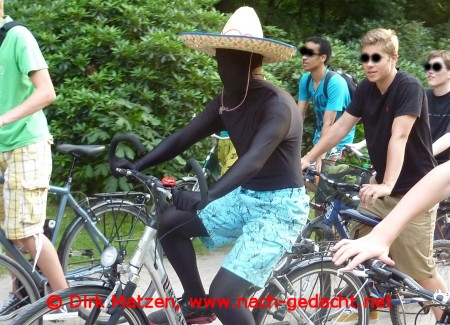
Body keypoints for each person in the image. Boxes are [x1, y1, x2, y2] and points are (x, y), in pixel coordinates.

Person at [110, 6, 309, 325]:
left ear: (251, 61)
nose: (222, 65)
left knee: (225, 296)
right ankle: (197, 305)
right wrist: (137, 164)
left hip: (280, 208)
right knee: (170, 224)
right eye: (220, 56)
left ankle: (212, 303)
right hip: (245, 197)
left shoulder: (278, 106)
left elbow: (253, 160)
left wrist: (208, 196)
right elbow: (182, 138)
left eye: (229, 58)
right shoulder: (227, 100)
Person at [301, 28, 448, 322]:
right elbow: (341, 128)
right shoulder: (367, 88)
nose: (369, 64)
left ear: (393, 58)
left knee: (419, 271)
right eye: (365, 58)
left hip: (414, 191)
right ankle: (373, 305)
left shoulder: (409, 87)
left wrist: (387, 183)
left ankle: (444, 314)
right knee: (360, 246)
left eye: (376, 58)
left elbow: (400, 136)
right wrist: (306, 159)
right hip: (381, 188)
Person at [0, 2, 71, 316]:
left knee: (26, 232)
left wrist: (3, 119)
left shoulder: (17, 36)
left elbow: (46, 92)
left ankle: (66, 302)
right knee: (7, 229)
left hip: (27, 143)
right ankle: (25, 293)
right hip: (2, 146)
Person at [332, 160, 450, 269]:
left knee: (420, 272)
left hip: (415, 185)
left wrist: (381, 236)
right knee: (364, 264)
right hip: (395, 187)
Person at [297, 36, 355, 173]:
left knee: (323, 178)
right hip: (320, 135)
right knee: (305, 175)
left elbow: (329, 122)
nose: (304, 57)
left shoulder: (336, 83)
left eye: (310, 53)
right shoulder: (306, 80)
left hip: (339, 139)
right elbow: (299, 116)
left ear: (323, 58)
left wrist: (320, 157)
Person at [425, 50, 450, 164]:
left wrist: (422, 155)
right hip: (419, 162)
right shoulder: (421, 96)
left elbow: (448, 138)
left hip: (444, 165)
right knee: (373, 179)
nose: (430, 71)